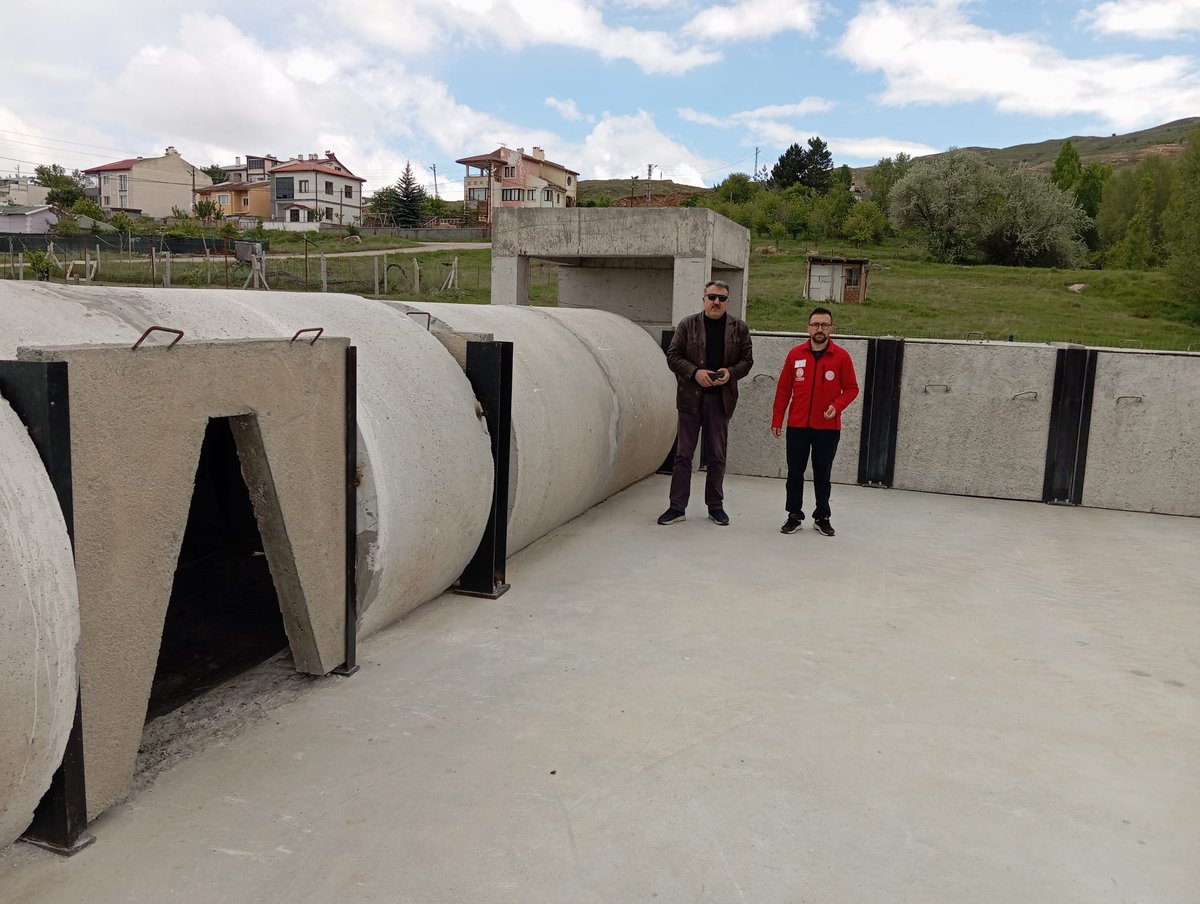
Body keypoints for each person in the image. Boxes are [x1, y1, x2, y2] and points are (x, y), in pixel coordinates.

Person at [658, 280, 754, 526]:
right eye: (712, 297)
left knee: (717, 456)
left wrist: (731, 373)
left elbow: (747, 361)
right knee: (683, 455)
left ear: (727, 302)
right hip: (691, 400)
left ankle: (715, 506)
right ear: (704, 299)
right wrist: (694, 373)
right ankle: (677, 507)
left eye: (721, 298)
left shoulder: (739, 328)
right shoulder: (687, 324)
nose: (716, 302)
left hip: (720, 402)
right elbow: (673, 356)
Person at [771, 306, 859, 537]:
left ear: (831, 328)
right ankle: (794, 515)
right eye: (815, 325)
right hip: (797, 426)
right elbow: (783, 389)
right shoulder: (795, 355)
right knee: (795, 473)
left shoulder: (841, 357)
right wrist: (777, 418)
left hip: (827, 429)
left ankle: (822, 516)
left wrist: (836, 406)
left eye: (824, 325)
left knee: (823, 474)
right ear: (808, 327)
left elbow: (851, 389)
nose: (819, 329)